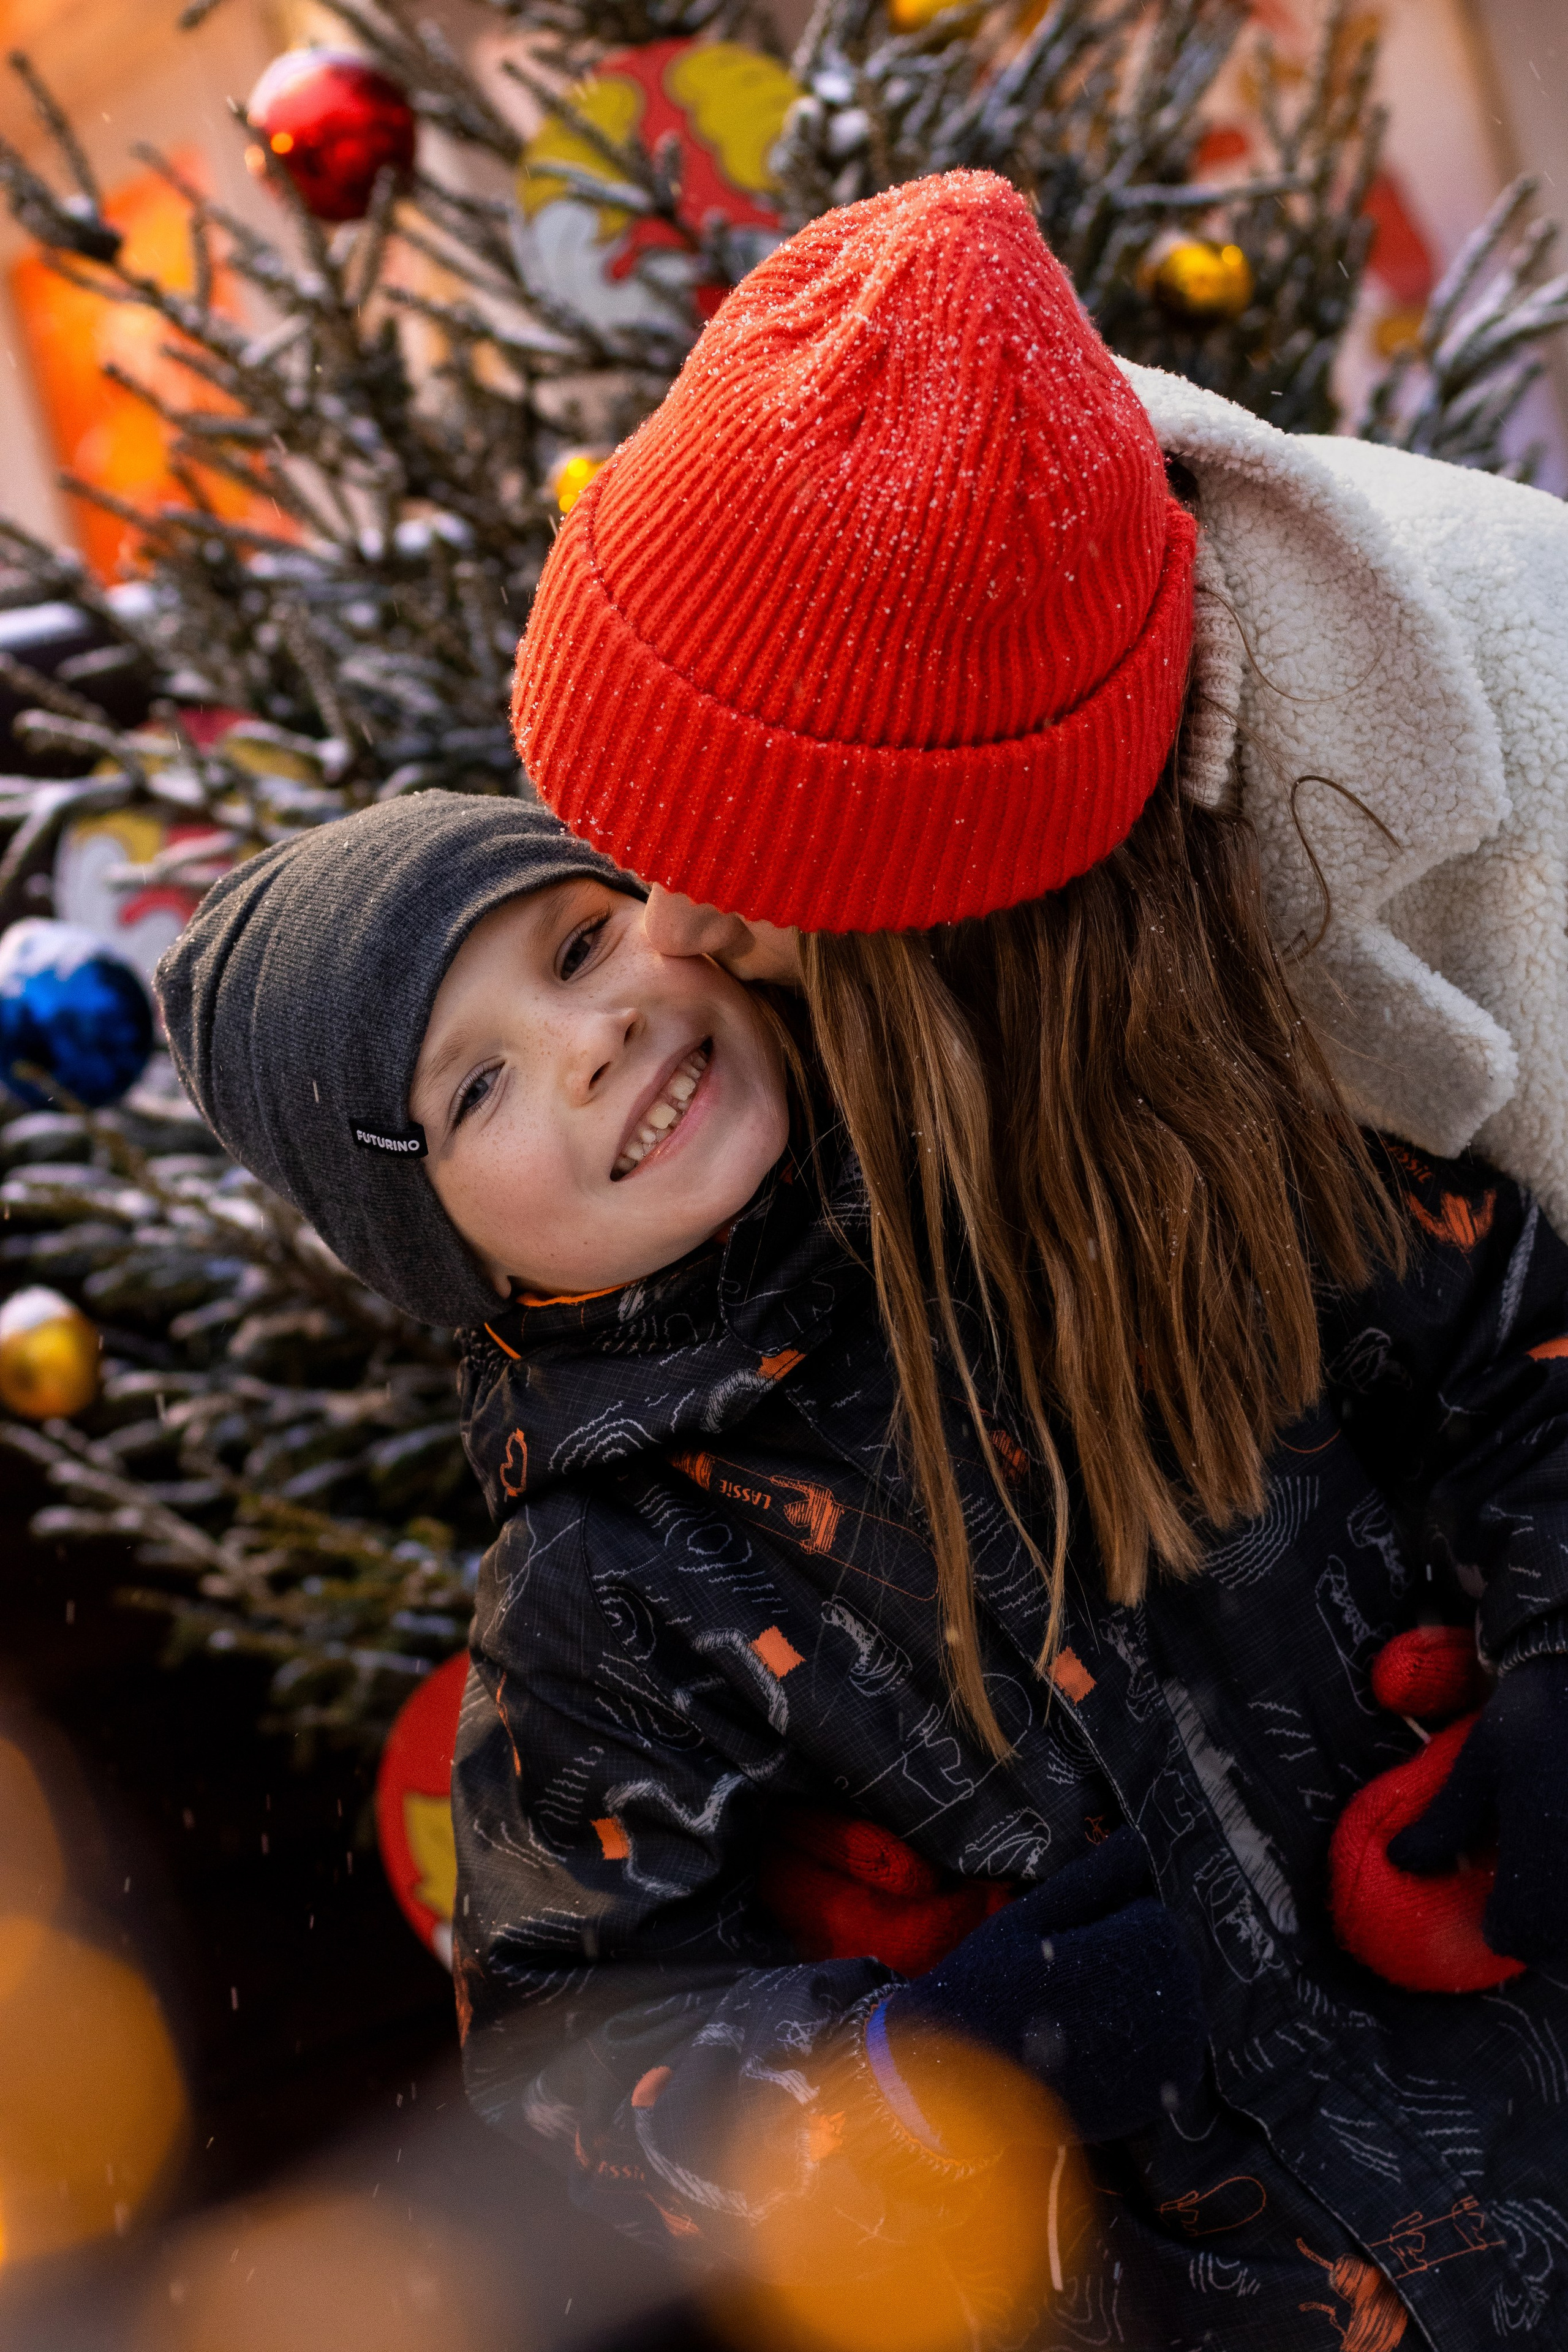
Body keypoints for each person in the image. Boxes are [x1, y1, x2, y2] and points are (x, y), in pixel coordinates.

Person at [492, 169, 1568, 2346]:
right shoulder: (636, 1520)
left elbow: (1508, 1359)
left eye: (715, 867)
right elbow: (579, 2051)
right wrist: (893, 2068)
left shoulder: (1480, 838)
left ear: (950, 891)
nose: (669, 945)